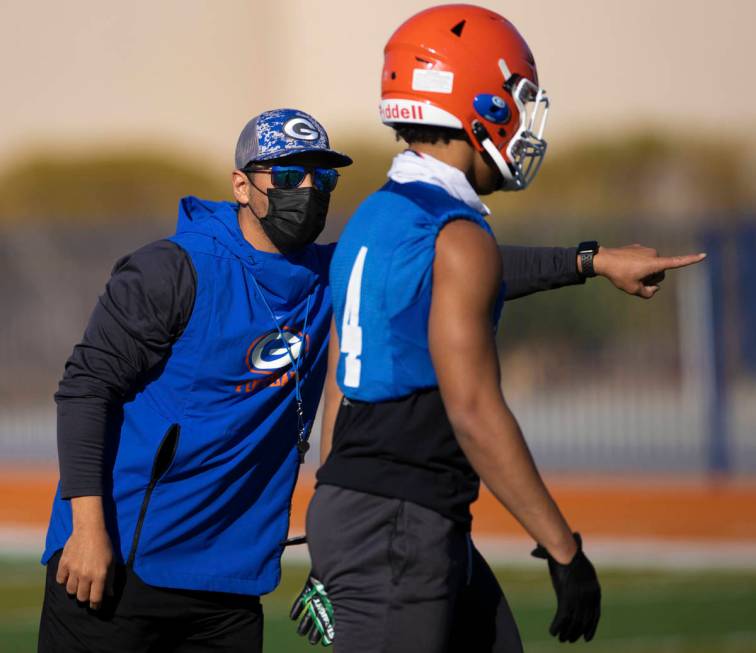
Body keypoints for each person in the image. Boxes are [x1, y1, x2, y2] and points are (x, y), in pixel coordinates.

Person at [297, 6, 706, 652]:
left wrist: (591, 260)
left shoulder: (375, 219)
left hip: (371, 507)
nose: (523, 122)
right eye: (513, 99)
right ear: (475, 101)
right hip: (400, 522)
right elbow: (475, 410)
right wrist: (563, 546)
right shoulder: (456, 236)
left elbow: (340, 384)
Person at [38, 108, 352, 652]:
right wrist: (86, 531)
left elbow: (453, 269)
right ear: (241, 184)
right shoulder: (173, 268)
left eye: (320, 177)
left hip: (228, 587)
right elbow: (86, 387)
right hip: (120, 564)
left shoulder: (335, 277)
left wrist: (556, 264)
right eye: (285, 177)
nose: (306, 190)